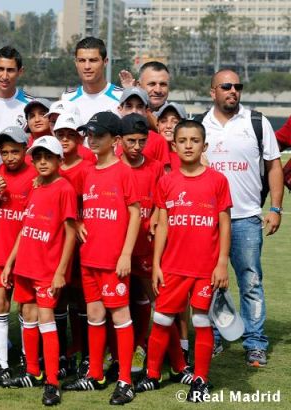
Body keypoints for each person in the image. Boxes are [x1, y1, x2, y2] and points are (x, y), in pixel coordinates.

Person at [135, 120, 232, 402]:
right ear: (174, 146)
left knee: (200, 320)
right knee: (162, 318)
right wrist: (157, 264)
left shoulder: (218, 180)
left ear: (204, 145)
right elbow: (162, 226)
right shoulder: (167, 182)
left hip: (205, 268)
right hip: (173, 266)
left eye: (195, 140)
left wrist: (222, 262)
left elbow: (225, 224)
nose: (189, 146)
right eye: (183, 141)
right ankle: (153, 374)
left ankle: (200, 379)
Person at [201, 69, 284, 367]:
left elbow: (274, 166)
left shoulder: (257, 122)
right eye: (226, 86)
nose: (233, 90)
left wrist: (275, 208)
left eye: (237, 86)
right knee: (209, 284)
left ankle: (255, 342)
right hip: (208, 221)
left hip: (246, 218)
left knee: (250, 283)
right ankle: (212, 338)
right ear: (213, 92)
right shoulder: (201, 124)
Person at [61, 112, 140, 406]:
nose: (92, 139)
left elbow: (135, 213)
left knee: (120, 316)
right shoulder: (88, 171)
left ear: (115, 140)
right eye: (89, 134)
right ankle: (95, 374)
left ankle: (126, 380)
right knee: (94, 315)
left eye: (99, 135)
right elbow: (72, 202)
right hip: (89, 258)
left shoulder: (124, 172)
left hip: (114, 260)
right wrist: (77, 221)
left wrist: (126, 254)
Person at [1, 136, 77, 407]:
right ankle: (33, 371)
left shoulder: (64, 188)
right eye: (38, 157)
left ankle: (52, 382)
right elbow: (25, 228)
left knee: (46, 318)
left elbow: (71, 234)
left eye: (48, 157)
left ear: (59, 160)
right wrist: (10, 262)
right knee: (28, 315)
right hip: (26, 265)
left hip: (48, 269)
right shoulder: (36, 187)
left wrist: (60, 271)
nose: (42, 162)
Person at [0, 126, 37, 386]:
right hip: (1, 252)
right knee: (1, 305)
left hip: (27, 255)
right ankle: (2, 365)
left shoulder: (36, 175)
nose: (9, 157)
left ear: (25, 149)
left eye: (14, 151)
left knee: (27, 308)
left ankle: (28, 359)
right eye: (4, 152)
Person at [117, 114, 165, 376]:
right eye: (131, 141)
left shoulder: (155, 167)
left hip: (146, 244)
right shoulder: (113, 166)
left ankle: (144, 347)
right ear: (119, 140)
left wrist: (156, 214)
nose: (137, 147)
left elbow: (162, 200)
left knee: (153, 297)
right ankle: (114, 350)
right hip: (118, 248)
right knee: (118, 300)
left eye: (142, 141)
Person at [54, 112, 93, 377]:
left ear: (80, 138)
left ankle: (85, 351)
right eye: (61, 134)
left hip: (81, 240)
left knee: (80, 296)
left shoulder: (87, 167)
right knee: (60, 295)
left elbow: (93, 202)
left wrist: (79, 222)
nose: (66, 139)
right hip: (55, 239)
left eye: (71, 134)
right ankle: (61, 351)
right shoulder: (50, 165)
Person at [61, 37, 122, 123]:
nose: (87, 66)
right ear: (76, 63)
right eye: (82, 60)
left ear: (105, 62)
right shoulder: (67, 99)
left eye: (93, 60)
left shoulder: (121, 97)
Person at [115, 87, 171, 169]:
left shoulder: (158, 140)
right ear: (120, 109)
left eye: (139, 107)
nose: (134, 111)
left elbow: (164, 173)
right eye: (129, 106)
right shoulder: (110, 137)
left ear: (146, 111)